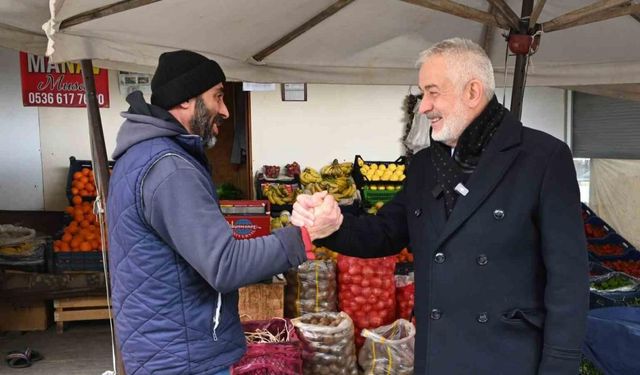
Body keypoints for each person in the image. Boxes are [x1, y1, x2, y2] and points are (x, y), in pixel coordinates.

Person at [292, 38, 589, 375]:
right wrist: (334, 225)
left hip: (510, 359)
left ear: (472, 92)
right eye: (422, 94)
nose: (423, 106)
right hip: (438, 358)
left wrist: (560, 366)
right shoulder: (423, 165)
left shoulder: (542, 158)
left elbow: (569, 279)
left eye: (432, 92)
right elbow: (386, 233)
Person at [106, 50, 315, 374]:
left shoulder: (142, 156)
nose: (225, 110)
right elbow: (224, 265)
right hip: (185, 360)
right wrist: (302, 237)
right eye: (217, 96)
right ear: (186, 100)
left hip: (166, 349)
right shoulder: (169, 170)